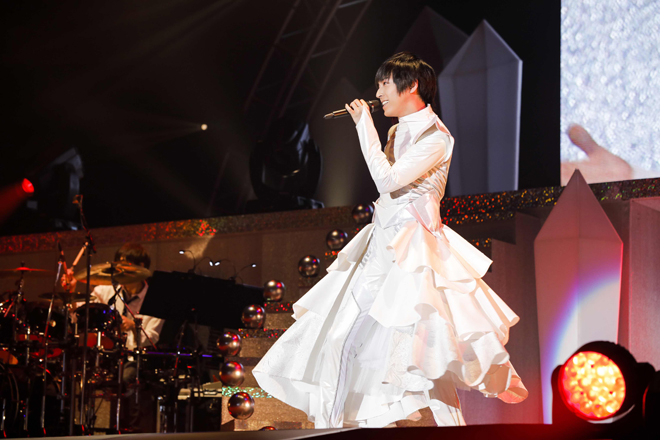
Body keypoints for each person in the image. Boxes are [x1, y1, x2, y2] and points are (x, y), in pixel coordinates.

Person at [253, 52, 528, 428]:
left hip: (414, 254)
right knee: (344, 340)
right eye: (379, 85)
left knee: (421, 358)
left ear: (411, 86)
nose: (379, 92)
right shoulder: (398, 132)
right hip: (382, 247)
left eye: (385, 84)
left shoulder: (437, 138)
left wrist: (364, 126)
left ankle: (342, 429)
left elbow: (388, 181)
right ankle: (332, 427)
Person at [63, 242, 164, 432]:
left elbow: (152, 338)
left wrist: (133, 326)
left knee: (125, 377)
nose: (120, 269)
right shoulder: (105, 291)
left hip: (136, 358)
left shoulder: (156, 299)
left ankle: (127, 429)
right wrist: (71, 292)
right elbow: (80, 316)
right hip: (104, 355)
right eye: (118, 264)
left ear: (141, 267)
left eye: (126, 265)